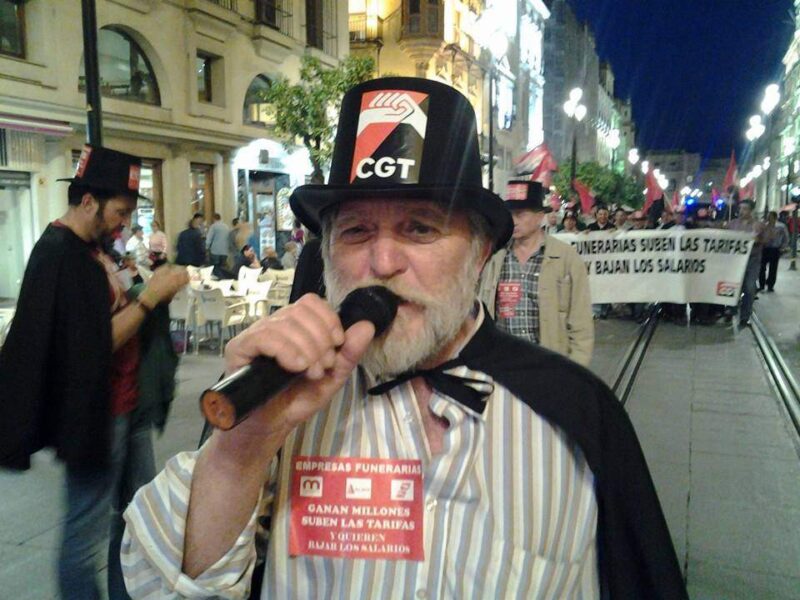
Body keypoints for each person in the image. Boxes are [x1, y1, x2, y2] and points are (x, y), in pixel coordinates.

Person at [121, 78, 685, 599]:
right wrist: (242, 449)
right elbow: (171, 587)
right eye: (357, 231)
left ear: (480, 250)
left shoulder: (577, 411)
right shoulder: (277, 402)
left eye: (420, 228)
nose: (382, 262)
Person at [0, 145, 188, 600]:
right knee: (85, 533)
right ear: (88, 202)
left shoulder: (92, 249)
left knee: (135, 521)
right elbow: (91, 344)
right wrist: (150, 297)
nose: (124, 223)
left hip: (128, 406)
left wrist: (139, 286)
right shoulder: (59, 253)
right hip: (97, 418)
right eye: (119, 212)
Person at [479, 180, 594, 366]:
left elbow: (581, 322)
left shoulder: (565, 257)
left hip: (548, 364)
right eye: (509, 214)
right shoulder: (495, 256)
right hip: (502, 363)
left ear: (540, 216)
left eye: (520, 214)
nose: (513, 220)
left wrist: (576, 371)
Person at [727, 200, 766, 326]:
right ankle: (731, 309)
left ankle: (745, 316)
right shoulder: (732, 224)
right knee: (734, 286)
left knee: (749, 288)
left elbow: (766, 240)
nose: (742, 211)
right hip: (735, 260)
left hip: (752, 260)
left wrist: (758, 239)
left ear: (751, 210)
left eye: (745, 208)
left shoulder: (758, 225)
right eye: (741, 208)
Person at [759, 210, 788, 292]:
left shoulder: (781, 226)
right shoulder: (764, 225)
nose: (768, 218)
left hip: (775, 249)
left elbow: (786, 237)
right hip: (765, 248)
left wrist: (783, 247)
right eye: (768, 217)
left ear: (775, 218)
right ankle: (761, 284)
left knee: (773, 268)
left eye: (770, 217)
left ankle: (770, 285)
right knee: (762, 267)